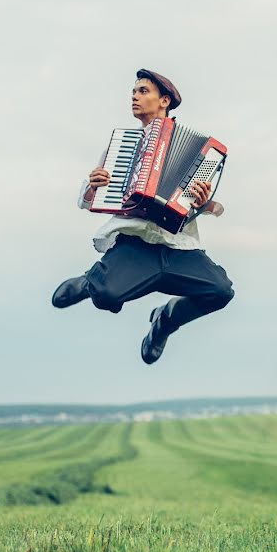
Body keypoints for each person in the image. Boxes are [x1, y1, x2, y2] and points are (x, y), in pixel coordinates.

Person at [51, 69, 234, 364]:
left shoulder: (200, 152)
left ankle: (165, 321)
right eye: (133, 92)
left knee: (221, 291)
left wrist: (202, 201)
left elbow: (213, 207)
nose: (135, 97)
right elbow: (86, 200)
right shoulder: (122, 145)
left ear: (164, 101)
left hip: (177, 246)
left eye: (143, 91)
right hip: (136, 243)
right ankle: (90, 282)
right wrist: (93, 186)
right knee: (108, 296)